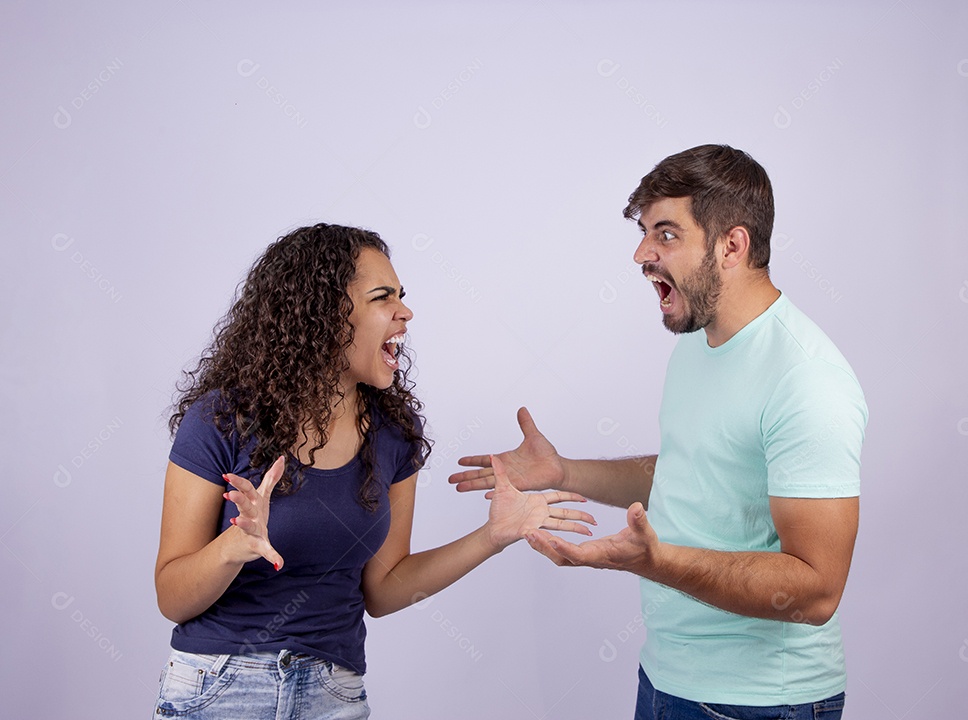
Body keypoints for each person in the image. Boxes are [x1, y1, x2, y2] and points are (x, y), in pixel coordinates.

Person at [450, 145, 868, 719]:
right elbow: (687, 472)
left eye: (665, 235)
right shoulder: (699, 343)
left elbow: (818, 589)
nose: (642, 254)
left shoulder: (807, 379)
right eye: (646, 233)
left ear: (732, 246)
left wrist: (655, 562)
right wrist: (566, 473)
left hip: (760, 703)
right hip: (666, 678)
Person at [152, 223, 595, 719]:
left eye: (402, 296)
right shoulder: (221, 419)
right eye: (383, 298)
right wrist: (233, 548)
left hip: (333, 694)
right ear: (324, 315)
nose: (405, 312)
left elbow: (383, 589)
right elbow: (172, 597)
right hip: (221, 686)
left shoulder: (394, 433)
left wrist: (493, 534)